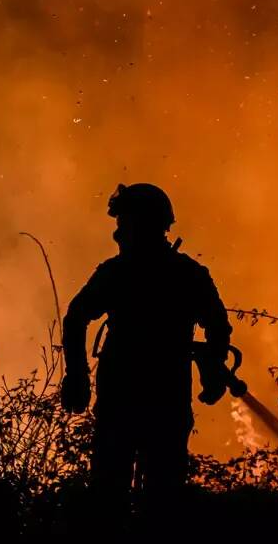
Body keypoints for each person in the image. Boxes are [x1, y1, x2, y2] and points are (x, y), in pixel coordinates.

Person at [61, 183, 233, 526]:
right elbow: (218, 326)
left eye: (123, 222)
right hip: (165, 402)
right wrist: (212, 369)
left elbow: (76, 317)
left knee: (110, 501)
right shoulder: (187, 274)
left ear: (139, 224)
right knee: (162, 503)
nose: (117, 232)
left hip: (123, 402)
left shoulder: (117, 273)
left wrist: (78, 375)